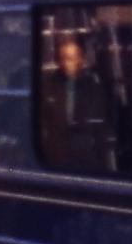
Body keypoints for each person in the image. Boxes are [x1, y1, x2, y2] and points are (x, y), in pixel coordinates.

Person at [38, 32, 115, 170]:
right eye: (62, 58)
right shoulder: (47, 87)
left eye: (71, 58)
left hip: (86, 159)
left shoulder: (94, 88)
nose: (66, 63)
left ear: (81, 60)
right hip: (54, 157)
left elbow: (100, 127)